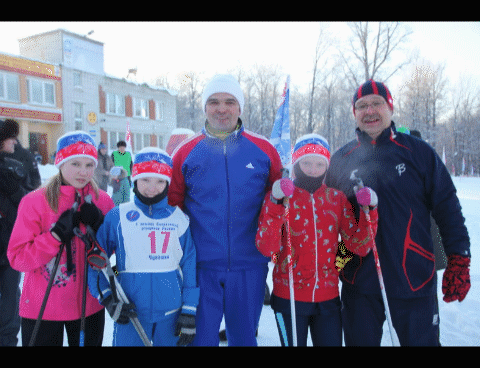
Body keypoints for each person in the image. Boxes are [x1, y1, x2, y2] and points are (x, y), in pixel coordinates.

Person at [325, 79, 471, 346]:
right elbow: (326, 221)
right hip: (359, 282)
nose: (370, 111)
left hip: (413, 277)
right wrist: (331, 264)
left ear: (390, 108)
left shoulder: (418, 152)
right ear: (354, 113)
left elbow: (447, 206)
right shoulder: (341, 159)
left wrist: (458, 257)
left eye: (377, 103)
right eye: (362, 105)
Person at [169, 74, 282, 346]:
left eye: (230, 102)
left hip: (249, 265)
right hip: (200, 267)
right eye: (214, 102)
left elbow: (278, 204)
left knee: (244, 339)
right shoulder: (185, 152)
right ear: (205, 108)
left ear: (240, 108)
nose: (222, 108)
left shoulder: (264, 150)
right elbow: (172, 207)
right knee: (201, 340)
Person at [255, 134, 378, 346]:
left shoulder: (336, 199)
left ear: (327, 166)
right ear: (296, 163)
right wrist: (275, 203)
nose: (313, 169)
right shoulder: (282, 197)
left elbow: (359, 245)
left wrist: (370, 211)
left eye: (319, 163)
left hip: (328, 298)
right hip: (289, 298)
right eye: (307, 162)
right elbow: (267, 247)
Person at [8, 131, 115, 346]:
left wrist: (100, 227)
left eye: (89, 165)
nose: (83, 172)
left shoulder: (102, 200)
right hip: (43, 306)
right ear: (60, 162)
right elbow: (18, 258)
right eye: (75, 164)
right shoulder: (35, 202)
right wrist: (55, 236)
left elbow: (112, 251)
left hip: (89, 304)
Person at [88, 147, 199, 346]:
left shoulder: (179, 219)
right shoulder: (118, 216)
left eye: (159, 181)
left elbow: (189, 266)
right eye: (145, 179)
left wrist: (189, 310)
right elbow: (97, 260)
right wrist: (107, 298)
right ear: (135, 179)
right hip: (131, 313)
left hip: (171, 314)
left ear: (167, 183)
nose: (151, 187)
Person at [0, 119, 30, 346]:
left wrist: (16, 190)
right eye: (11, 138)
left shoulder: (12, 167)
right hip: (7, 247)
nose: (15, 141)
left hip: (9, 249)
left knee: (10, 303)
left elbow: (26, 203)